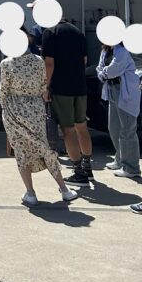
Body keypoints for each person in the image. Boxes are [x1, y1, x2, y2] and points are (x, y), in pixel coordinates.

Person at [0, 30, 79, 206]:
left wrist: (4, 109)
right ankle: (64, 189)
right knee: (44, 147)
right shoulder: (38, 61)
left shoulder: (6, 64)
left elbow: (3, 90)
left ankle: (31, 193)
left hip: (14, 109)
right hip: (36, 108)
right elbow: (44, 84)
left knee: (21, 151)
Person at [41, 16, 92, 185]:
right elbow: (84, 60)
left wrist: (45, 86)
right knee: (82, 127)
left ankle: (78, 172)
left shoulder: (50, 32)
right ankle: (87, 167)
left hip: (62, 88)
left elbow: (49, 63)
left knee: (68, 130)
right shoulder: (77, 32)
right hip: (80, 86)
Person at [97, 41, 141, 178]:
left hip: (124, 92)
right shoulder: (105, 50)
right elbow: (100, 68)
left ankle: (132, 168)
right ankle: (120, 159)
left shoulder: (122, 50)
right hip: (111, 90)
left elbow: (114, 69)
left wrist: (104, 73)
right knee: (114, 128)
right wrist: (103, 73)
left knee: (127, 130)